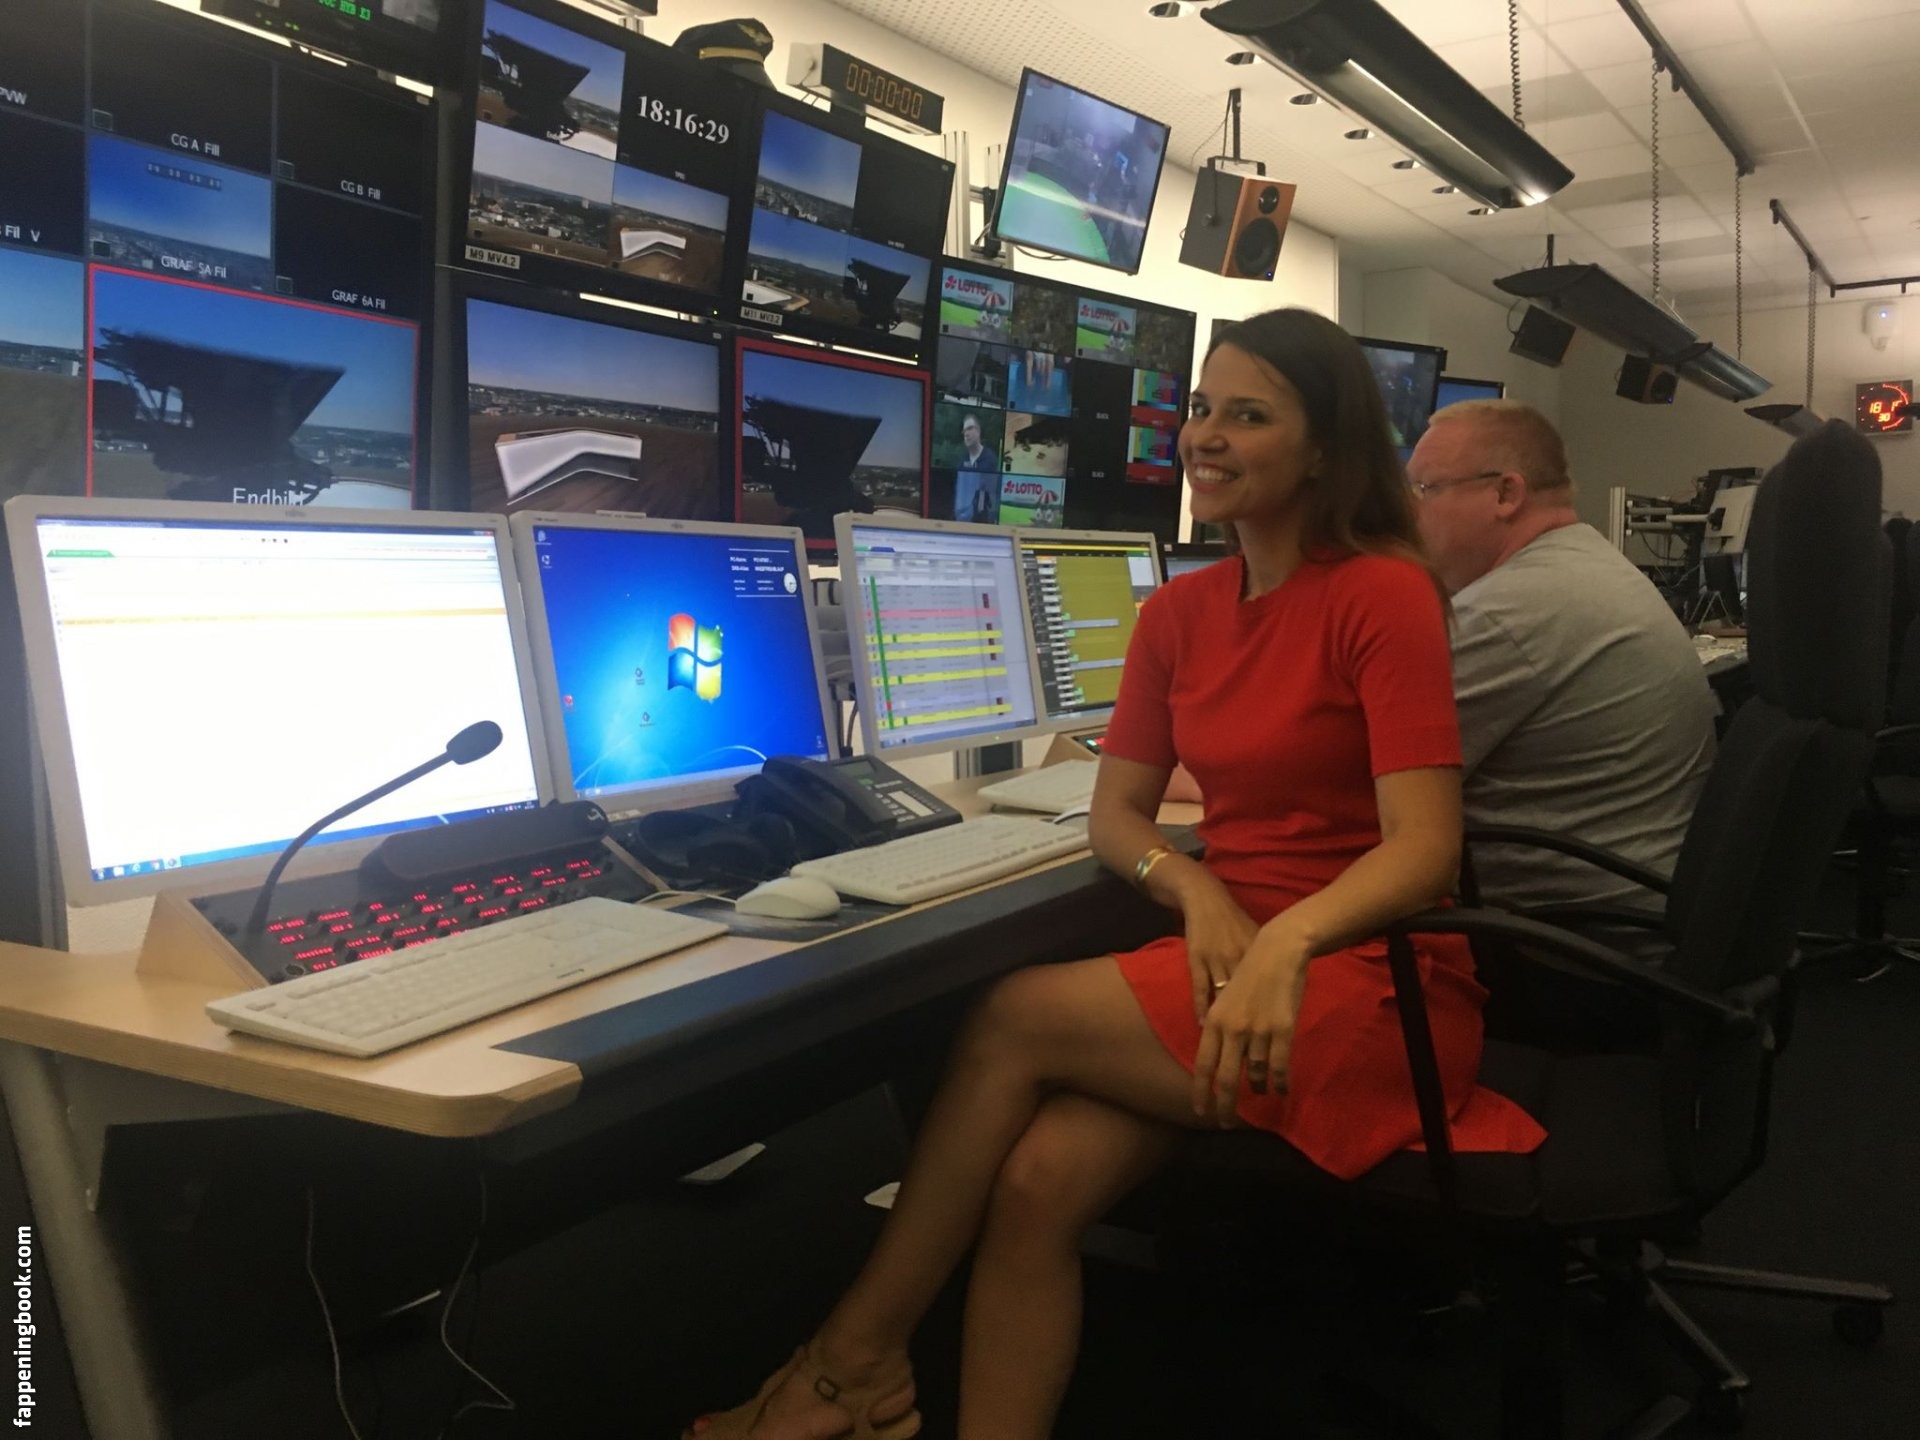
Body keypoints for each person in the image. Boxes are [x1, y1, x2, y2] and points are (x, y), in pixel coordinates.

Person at [682, 310, 1544, 1440]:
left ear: (1324, 450)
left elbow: (1424, 845)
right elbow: (1115, 813)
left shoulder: (1382, 593)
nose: (1208, 437)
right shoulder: (1180, 613)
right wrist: (1195, 891)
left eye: (1250, 415)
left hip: (1365, 983)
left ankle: (851, 1361)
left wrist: (1285, 942)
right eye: (1202, 409)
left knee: (1011, 1017)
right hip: (1225, 964)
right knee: (1039, 1183)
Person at [1405, 399, 1716, 914]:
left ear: (1506, 494)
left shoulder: (1510, 613)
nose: (1409, 513)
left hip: (1560, 934)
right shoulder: (1585, 563)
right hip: (1642, 903)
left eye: (1425, 489)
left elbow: (1352, 787)